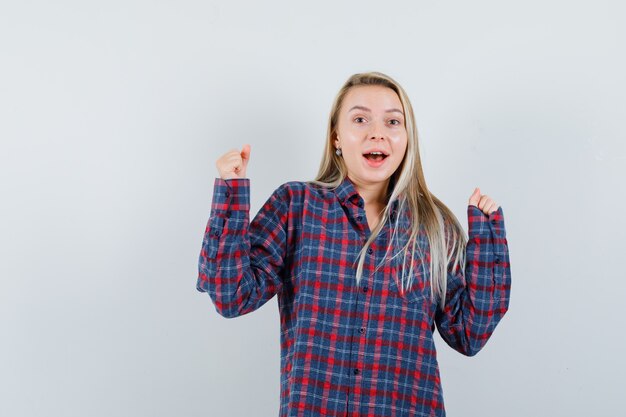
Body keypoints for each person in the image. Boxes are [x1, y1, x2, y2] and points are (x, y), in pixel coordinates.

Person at [197, 71, 511, 417]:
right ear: (336, 137)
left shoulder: (435, 228)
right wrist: (231, 193)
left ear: (407, 138)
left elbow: (469, 334)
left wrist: (487, 243)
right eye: (360, 119)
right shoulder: (296, 206)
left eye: (393, 121)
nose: (377, 132)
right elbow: (231, 296)